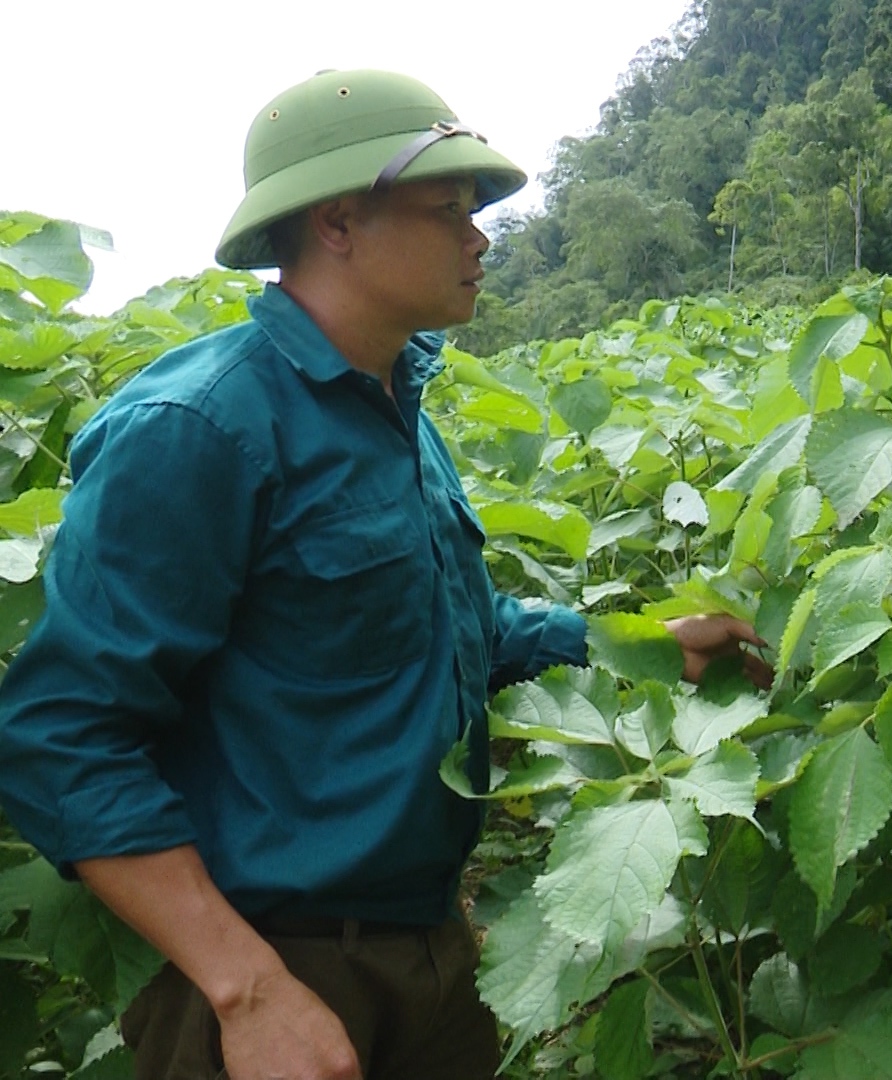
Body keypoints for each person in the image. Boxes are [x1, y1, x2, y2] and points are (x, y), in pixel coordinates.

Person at [0, 69, 765, 1080]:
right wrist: (248, 988)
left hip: (428, 957)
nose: (480, 237)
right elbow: (58, 735)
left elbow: (455, 629)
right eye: (448, 209)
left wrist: (639, 648)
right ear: (338, 224)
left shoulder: (397, 409)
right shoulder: (200, 431)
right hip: (277, 967)